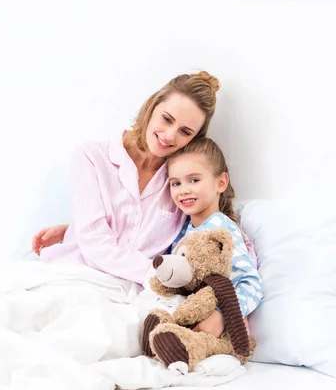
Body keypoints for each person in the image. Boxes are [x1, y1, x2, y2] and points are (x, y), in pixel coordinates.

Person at [33, 70, 221, 285]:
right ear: (151, 106)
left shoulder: (181, 184)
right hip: (74, 276)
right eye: (167, 119)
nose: (169, 136)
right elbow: (95, 243)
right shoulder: (91, 157)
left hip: (132, 295)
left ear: (194, 139)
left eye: (185, 132)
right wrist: (78, 230)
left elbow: (209, 233)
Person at [161, 136, 263, 337]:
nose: (184, 190)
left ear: (221, 182)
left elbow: (251, 284)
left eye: (194, 180)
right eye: (176, 183)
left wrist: (221, 316)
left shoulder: (222, 229)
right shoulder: (181, 232)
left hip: (215, 329)